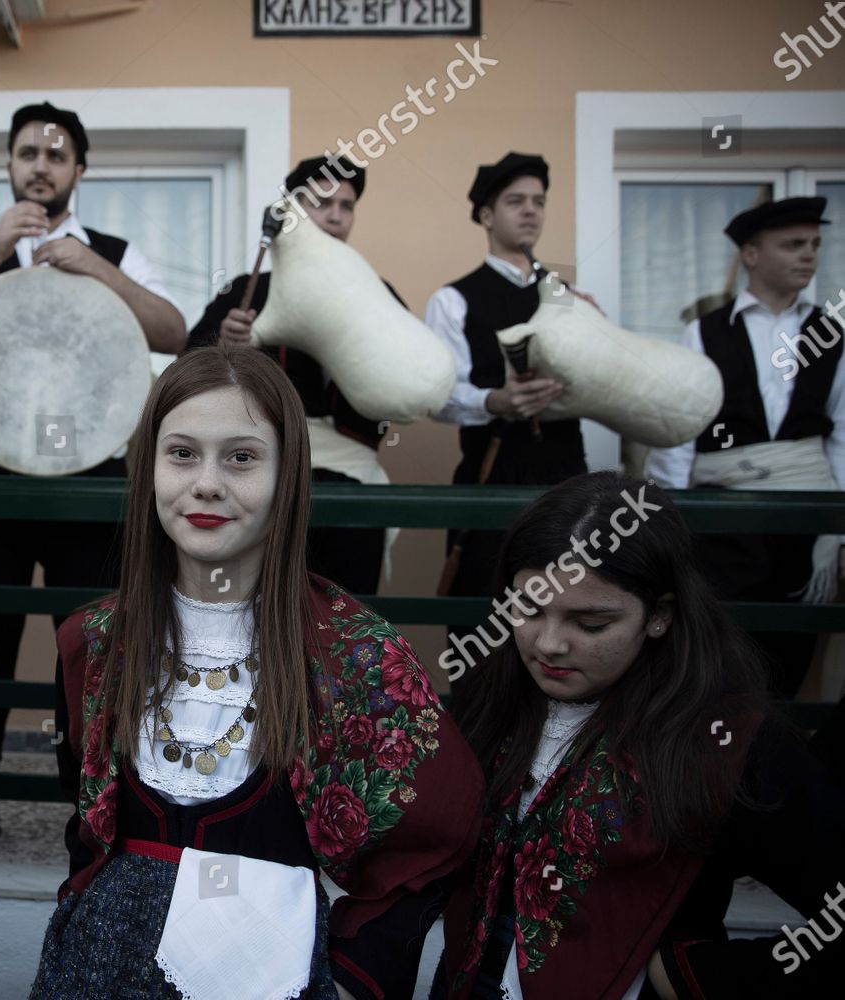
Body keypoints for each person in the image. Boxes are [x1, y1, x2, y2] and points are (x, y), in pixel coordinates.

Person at [32, 346, 484, 1000]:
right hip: (95, 972)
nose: (207, 483)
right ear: (149, 468)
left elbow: (434, 840)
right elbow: (85, 822)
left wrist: (353, 976)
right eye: (182, 453)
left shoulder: (350, 654)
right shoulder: (95, 642)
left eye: (241, 458)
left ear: (288, 475)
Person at [435, 471, 845, 999]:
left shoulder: (727, 743)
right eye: (529, 609)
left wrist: (696, 975)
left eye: (591, 623)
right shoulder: (493, 701)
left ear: (659, 616)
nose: (551, 643)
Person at [0, 101, 186, 862]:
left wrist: (95, 267)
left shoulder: (114, 249)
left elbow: (172, 330)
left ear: (79, 172)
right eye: (28, 152)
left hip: (89, 480)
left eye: (56, 155)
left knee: (91, 649)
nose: (41, 165)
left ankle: (87, 813)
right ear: (8, 164)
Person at [647, 196, 841, 696]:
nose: (808, 255)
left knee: (791, 661)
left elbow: (840, 436)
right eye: (793, 244)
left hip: (805, 526)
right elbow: (680, 428)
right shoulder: (705, 331)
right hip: (724, 525)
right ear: (751, 254)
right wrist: (670, 520)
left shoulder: (832, 333)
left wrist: (836, 531)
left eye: (814, 245)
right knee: (719, 659)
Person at [188, 154, 401, 596]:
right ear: (292, 210)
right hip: (265, 475)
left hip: (351, 480)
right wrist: (221, 347)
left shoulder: (380, 295)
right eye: (322, 203)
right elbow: (185, 372)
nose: (336, 216)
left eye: (346, 206)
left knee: (347, 615)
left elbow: (401, 383)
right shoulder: (247, 291)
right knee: (261, 610)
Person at [425, 153, 587, 641]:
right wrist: (495, 401)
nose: (531, 210)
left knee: (569, 611)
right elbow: (437, 395)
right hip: (489, 474)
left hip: (566, 475)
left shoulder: (566, 295)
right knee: (484, 618)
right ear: (487, 215)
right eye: (516, 200)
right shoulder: (453, 300)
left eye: (539, 201)